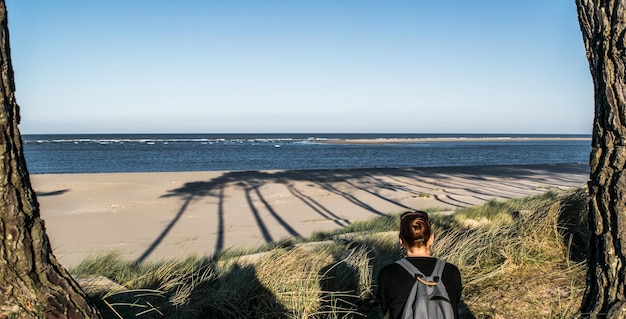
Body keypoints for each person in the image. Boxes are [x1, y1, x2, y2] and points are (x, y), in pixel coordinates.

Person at [377, 210, 463, 319]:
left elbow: (386, 309)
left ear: (401, 241)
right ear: (431, 238)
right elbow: (454, 304)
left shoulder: (388, 273)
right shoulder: (451, 271)